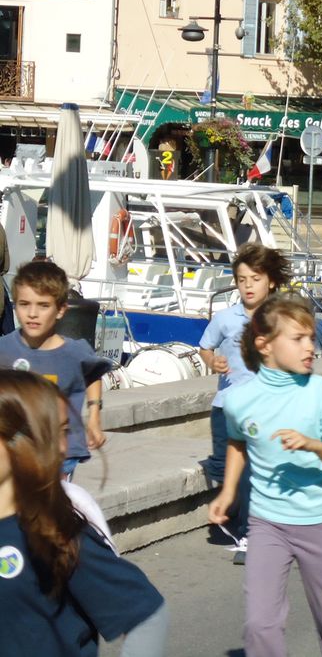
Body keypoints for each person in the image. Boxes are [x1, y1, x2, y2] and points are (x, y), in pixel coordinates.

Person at [208, 297, 322, 657]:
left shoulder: (320, 392)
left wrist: (314, 445)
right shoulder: (239, 399)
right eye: (298, 339)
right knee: (259, 624)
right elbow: (238, 440)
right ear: (265, 345)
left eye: (312, 338)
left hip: (320, 521)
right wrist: (228, 490)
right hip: (267, 523)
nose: (310, 347)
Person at [0, 369, 169, 655]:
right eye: (56, 433)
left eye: (65, 432)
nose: (65, 448)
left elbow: (146, 614)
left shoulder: (56, 529)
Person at [199, 243, 292, 563]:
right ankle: (240, 514)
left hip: (265, 407)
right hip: (226, 405)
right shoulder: (225, 318)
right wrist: (213, 362)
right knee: (226, 469)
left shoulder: (281, 319)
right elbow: (205, 347)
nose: (248, 285)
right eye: (241, 279)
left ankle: (250, 534)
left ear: (271, 282)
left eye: (255, 278)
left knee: (254, 470)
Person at [0, 261, 110, 479]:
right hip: (14, 451)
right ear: (15, 306)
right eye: (24, 304)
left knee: (51, 510)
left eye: (43, 305)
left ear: (60, 310)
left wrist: (94, 417)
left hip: (60, 454)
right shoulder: (4, 348)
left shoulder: (75, 352)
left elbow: (93, 375)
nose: (32, 313)